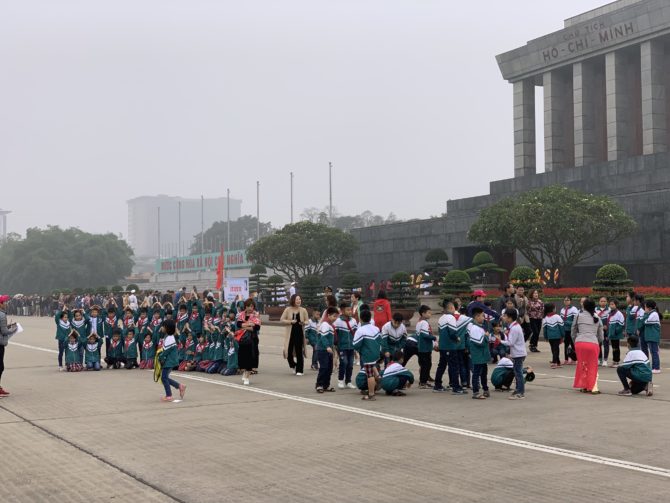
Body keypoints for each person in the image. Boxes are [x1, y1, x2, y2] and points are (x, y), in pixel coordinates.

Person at [435, 300, 471, 395]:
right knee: (454, 366)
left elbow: (440, 332)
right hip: (450, 346)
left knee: (441, 366)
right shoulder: (451, 318)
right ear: (451, 308)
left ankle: (437, 385)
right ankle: (456, 387)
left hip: (443, 346)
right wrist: (457, 338)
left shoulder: (441, 318)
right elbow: (452, 332)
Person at [572, 298, 603, 395]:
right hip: (593, 343)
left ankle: (584, 386)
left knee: (583, 365)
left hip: (580, 343)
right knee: (592, 366)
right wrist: (597, 342)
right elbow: (601, 336)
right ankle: (593, 388)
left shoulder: (578, 316)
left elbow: (573, 331)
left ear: (583, 306)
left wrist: (575, 342)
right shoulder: (597, 318)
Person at [353, 309, 382, 401]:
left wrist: (360, 350)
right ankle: (379, 378)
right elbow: (380, 341)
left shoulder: (360, 330)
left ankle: (371, 394)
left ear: (360, 319)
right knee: (373, 368)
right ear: (370, 319)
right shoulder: (376, 328)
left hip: (367, 354)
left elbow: (356, 344)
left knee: (369, 375)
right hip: (376, 353)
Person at [500, 309, 527, 400]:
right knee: (516, 372)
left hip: (518, 354)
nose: (503, 318)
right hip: (517, 353)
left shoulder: (515, 328)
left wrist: (500, 340)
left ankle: (520, 392)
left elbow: (510, 343)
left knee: (518, 373)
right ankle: (518, 389)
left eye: (505, 316)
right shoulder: (513, 326)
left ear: (510, 318)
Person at [158, 319, 186, 402]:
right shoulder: (168, 337)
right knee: (165, 377)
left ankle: (169, 395)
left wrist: (160, 357)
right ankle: (180, 386)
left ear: (167, 328)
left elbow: (166, 351)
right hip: (170, 361)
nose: (162, 328)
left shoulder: (169, 338)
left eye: (163, 326)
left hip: (169, 361)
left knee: (164, 378)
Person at [280, 295, 309, 376]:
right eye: (297, 299)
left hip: (299, 334)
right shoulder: (288, 309)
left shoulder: (303, 310)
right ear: (293, 300)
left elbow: (307, 321)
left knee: (299, 352)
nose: (299, 301)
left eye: (300, 299)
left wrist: (303, 323)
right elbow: (282, 320)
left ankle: (300, 370)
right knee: (288, 353)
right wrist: (290, 321)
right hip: (290, 334)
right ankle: (293, 365)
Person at [236, 298, 262, 385]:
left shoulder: (255, 315)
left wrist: (245, 326)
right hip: (242, 339)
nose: (250, 308)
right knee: (242, 358)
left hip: (252, 339)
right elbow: (238, 324)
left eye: (252, 306)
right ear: (245, 307)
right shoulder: (241, 315)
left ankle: (247, 376)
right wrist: (249, 325)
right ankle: (245, 372)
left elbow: (256, 327)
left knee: (250, 358)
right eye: (248, 306)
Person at [468, 307, 491, 399]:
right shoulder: (474, 328)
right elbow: (479, 342)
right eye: (482, 316)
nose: (484, 318)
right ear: (477, 316)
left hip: (482, 355)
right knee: (477, 373)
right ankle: (476, 392)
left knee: (484, 373)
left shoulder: (478, 327)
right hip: (478, 355)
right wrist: (486, 336)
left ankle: (485, 389)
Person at [334, 302, 359, 389]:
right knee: (344, 363)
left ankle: (348, 381)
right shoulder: (338, 321)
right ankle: (340, 380)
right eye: (348, 310)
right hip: (342, 347)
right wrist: (336, 345)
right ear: (342, 311)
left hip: (351, 347)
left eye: (350, 309)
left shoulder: (353, 321)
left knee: (350, 364)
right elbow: (335, 334)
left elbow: (356, 333)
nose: (350, 311)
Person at [315, 307, 338, 393]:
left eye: (336, 316)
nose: (335, 318)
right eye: (334, 316)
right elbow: (323, 337)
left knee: (329, 368)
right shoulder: (325, 324)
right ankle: (319, 385)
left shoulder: (330, 325)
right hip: (323, 350)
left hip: (329, 350)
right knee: (324, 367)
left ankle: (326, 385)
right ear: (328, 315)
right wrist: (327, 347)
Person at [0, 295, 17, 396]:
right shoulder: (2, 315)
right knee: (0, 367)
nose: (6, 303)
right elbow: (4, 331)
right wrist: (14, 329)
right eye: (4, 302)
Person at [415, 305, 436, 389]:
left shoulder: (420, 322)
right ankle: (423, 382)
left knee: (426, 365)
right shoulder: (424, 323)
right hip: (424, 348)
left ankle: (424, 381)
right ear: (423, 313)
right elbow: (424, 335)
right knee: (426, 365)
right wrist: (434, 338)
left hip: (423, 347)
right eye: (429, 313)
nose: (430, 314)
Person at [641, 300, 662, 374]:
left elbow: (646, 322)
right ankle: (654, 367)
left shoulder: (654, 314)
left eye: (645, 307)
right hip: (650, 337)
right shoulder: (651, 313)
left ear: (649, 308)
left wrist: (645, 315)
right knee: (653, 352)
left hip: (653, 337)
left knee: (654, 352)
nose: (644, 309)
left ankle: (656, 367)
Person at [542, 303, 564, 369]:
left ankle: (558, 362)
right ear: (552, 309)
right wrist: (563, 335)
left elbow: (544, 329)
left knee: (553, 349)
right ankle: (554, 362)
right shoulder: (557, 316)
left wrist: (545, 337)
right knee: (556, 349)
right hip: (557, 336)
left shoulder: (545, 318)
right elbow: (561, 327)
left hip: (550, 337)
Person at [560, 297, 579, 365]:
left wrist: (566, 322)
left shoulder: (574, 309)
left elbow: (575, 320)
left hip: (572, 330)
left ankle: (574, 359)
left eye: (568, 300)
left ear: (570, 301)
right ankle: (566, 359)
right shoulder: (562, 310)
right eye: (565, 300)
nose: (566, 301)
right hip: (565, 330)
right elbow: (561, 320)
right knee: (566, 345)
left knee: (573, 344)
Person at [607, 300, 625, 368]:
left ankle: (616, 361)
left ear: (616, 305)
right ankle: (614, 361)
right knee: (613, 347)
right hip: (611, 334)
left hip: (616, 335)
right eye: (610, 304)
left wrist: (615, 332)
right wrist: (609, 332)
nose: (611, 305)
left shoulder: (619, 314)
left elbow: (621, 324)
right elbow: (609, 324)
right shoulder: (610, 313)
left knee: (616, 348)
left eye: (613, 304)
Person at [595, 296, 611, 367]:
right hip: (598, 330)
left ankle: (605, 360)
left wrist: (607, 326)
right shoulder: (595, 309)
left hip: (606, 330)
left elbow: (611, 319)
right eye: (601, 301)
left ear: (606, 302)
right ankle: (599, 359)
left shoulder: (609, 310)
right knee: (598, 345)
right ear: (599, 302)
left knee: (606, 344)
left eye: (604, 301)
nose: (603, 302)